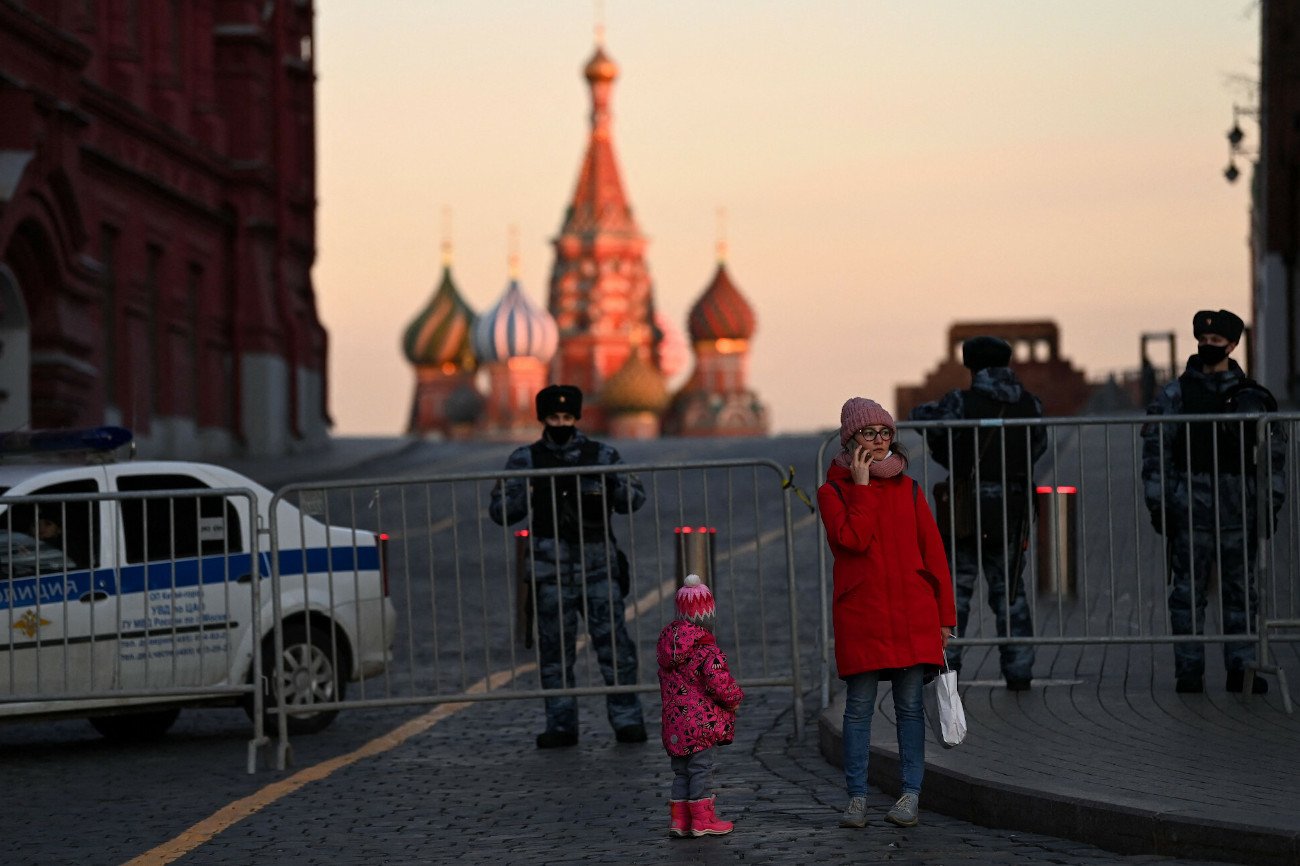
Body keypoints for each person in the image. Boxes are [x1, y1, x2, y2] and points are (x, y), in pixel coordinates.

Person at [818, 397, 956, 830]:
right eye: (869, 433)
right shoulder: (832, 492)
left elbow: (934, 555)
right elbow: (852, 541)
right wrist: (861, 487)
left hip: (913, 613)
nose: (879, 441)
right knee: (858, 709)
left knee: (910, 708)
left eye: (885, 433)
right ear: (850, 439)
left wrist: (945, 617)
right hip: (864, 614)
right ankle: (856, 798)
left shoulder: (910, 489)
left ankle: (910, 794)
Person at [489, 384, 648, 748]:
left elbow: (634, 499)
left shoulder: (602, 455)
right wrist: (526, 490)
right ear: (542, 419)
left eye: (566, 417)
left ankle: (627, 719)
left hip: (598, 569)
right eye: (553, 417)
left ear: (576, 417)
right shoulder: (526, 459)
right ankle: (560, 724)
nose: (560, 424)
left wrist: (608, 485)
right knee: (554, 653)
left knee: (615, 650)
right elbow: (501, 512)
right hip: (551, 574)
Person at [1140, 309, 1285, 695]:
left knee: (1241, 595)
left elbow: (1273, 457)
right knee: (1187, 595)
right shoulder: (1176, 395)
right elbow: (1156, 451)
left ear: (1232, 345)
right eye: (1203, 340)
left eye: (1216, 341)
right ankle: (1189, 670)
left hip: (1238, 510)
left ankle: (1242, 668)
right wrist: (1160, 504)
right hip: (1190, 510)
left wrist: (1269, 505)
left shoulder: (1252, 398)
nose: (1208, 346)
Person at [910, 336, 1046, 690]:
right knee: (1010, 592)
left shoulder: (960, 402)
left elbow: (923, 418)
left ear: (971, 367)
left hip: (966, 510)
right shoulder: (1030, 404)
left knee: (955, 594)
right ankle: (1019, 668)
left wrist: (952, 457)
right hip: (1012, 509)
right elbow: (1038, 446)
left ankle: (947, 669)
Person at [657, 573, 744, 838]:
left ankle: (680, 820)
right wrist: (734, 699)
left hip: (675, 725)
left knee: (681, 772)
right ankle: (702, 819)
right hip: (701, 724)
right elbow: (719, 683)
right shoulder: (707, 651)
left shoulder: (668, 652)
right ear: (708, 617)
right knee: (701, 770)